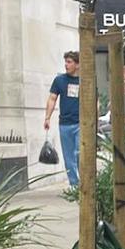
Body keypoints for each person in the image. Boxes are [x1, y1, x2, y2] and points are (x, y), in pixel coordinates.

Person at [44, 51, 81, 187]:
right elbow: (52, 98)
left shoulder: (86, 80)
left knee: (79, 152)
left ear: (77, 64)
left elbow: (95, 100)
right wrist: (47, 117)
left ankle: (86, 181)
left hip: (81, 123)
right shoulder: (60, 80)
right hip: (65, 123)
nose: (66, 65)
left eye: (69, 62)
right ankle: (74, 184)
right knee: (68, 156)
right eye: (65, 62)